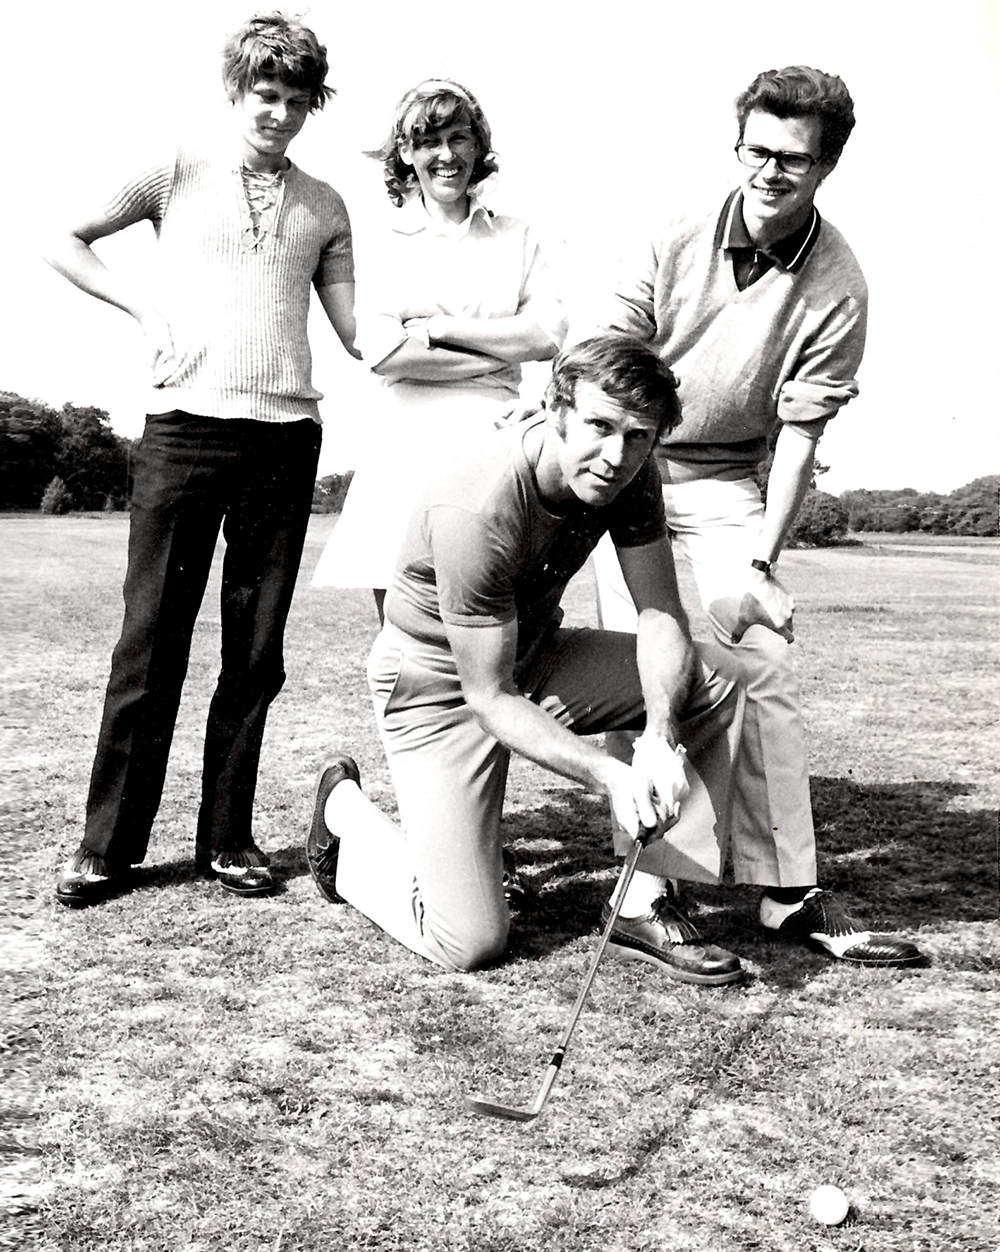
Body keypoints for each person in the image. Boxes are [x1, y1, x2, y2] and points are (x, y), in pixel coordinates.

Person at [585, 66, 923, 966]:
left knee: (763, 660)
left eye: (793, 159)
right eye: (757, 150)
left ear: (827, 166)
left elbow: (802, 435)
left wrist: (763, 566)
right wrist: (619, 465)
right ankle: (644, 891)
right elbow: (612, 357)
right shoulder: (672, 230)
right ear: (738, 146)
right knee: (643, 665)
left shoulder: (840, 281)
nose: (770, 171)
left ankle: (786, 895)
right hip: (632, 465)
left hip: (728, 477)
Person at [307, 335, 749, 980]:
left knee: (715, 681)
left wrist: (659, 736)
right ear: (555, 409)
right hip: (440, 689)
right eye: (600, 426)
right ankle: (345, 816)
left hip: (536, 657)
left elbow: (659, 613)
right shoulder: (476, 502)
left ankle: (642, 898)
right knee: (469, 941)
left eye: (639, 436)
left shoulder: (631, 473)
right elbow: (488, 697)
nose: (616, 456)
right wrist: (611, 776)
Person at [48, 14, 359, 907]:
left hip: (285, 440)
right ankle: (106, 846)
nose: (280, 113)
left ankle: (226, 838)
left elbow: (355, 331)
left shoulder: (327, 205)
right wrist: (146, 312)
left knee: (255, 654)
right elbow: (62, 239)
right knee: (150, 644)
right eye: (267, 94)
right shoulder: (175, 168)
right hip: (183, 429)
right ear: (237, 90)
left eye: (297, 100)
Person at [310, 78, 566, 623]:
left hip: (497, 438)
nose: (446, 156)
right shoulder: (385, 237)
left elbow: (547, 335)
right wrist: (501, 353)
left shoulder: (516, 235)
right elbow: (383, 352)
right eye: (428, 142)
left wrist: (443, 328)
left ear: (478, 145)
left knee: (497, 622)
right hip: (406, 443)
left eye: (458, 138)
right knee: (403, 633)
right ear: (406, 153)